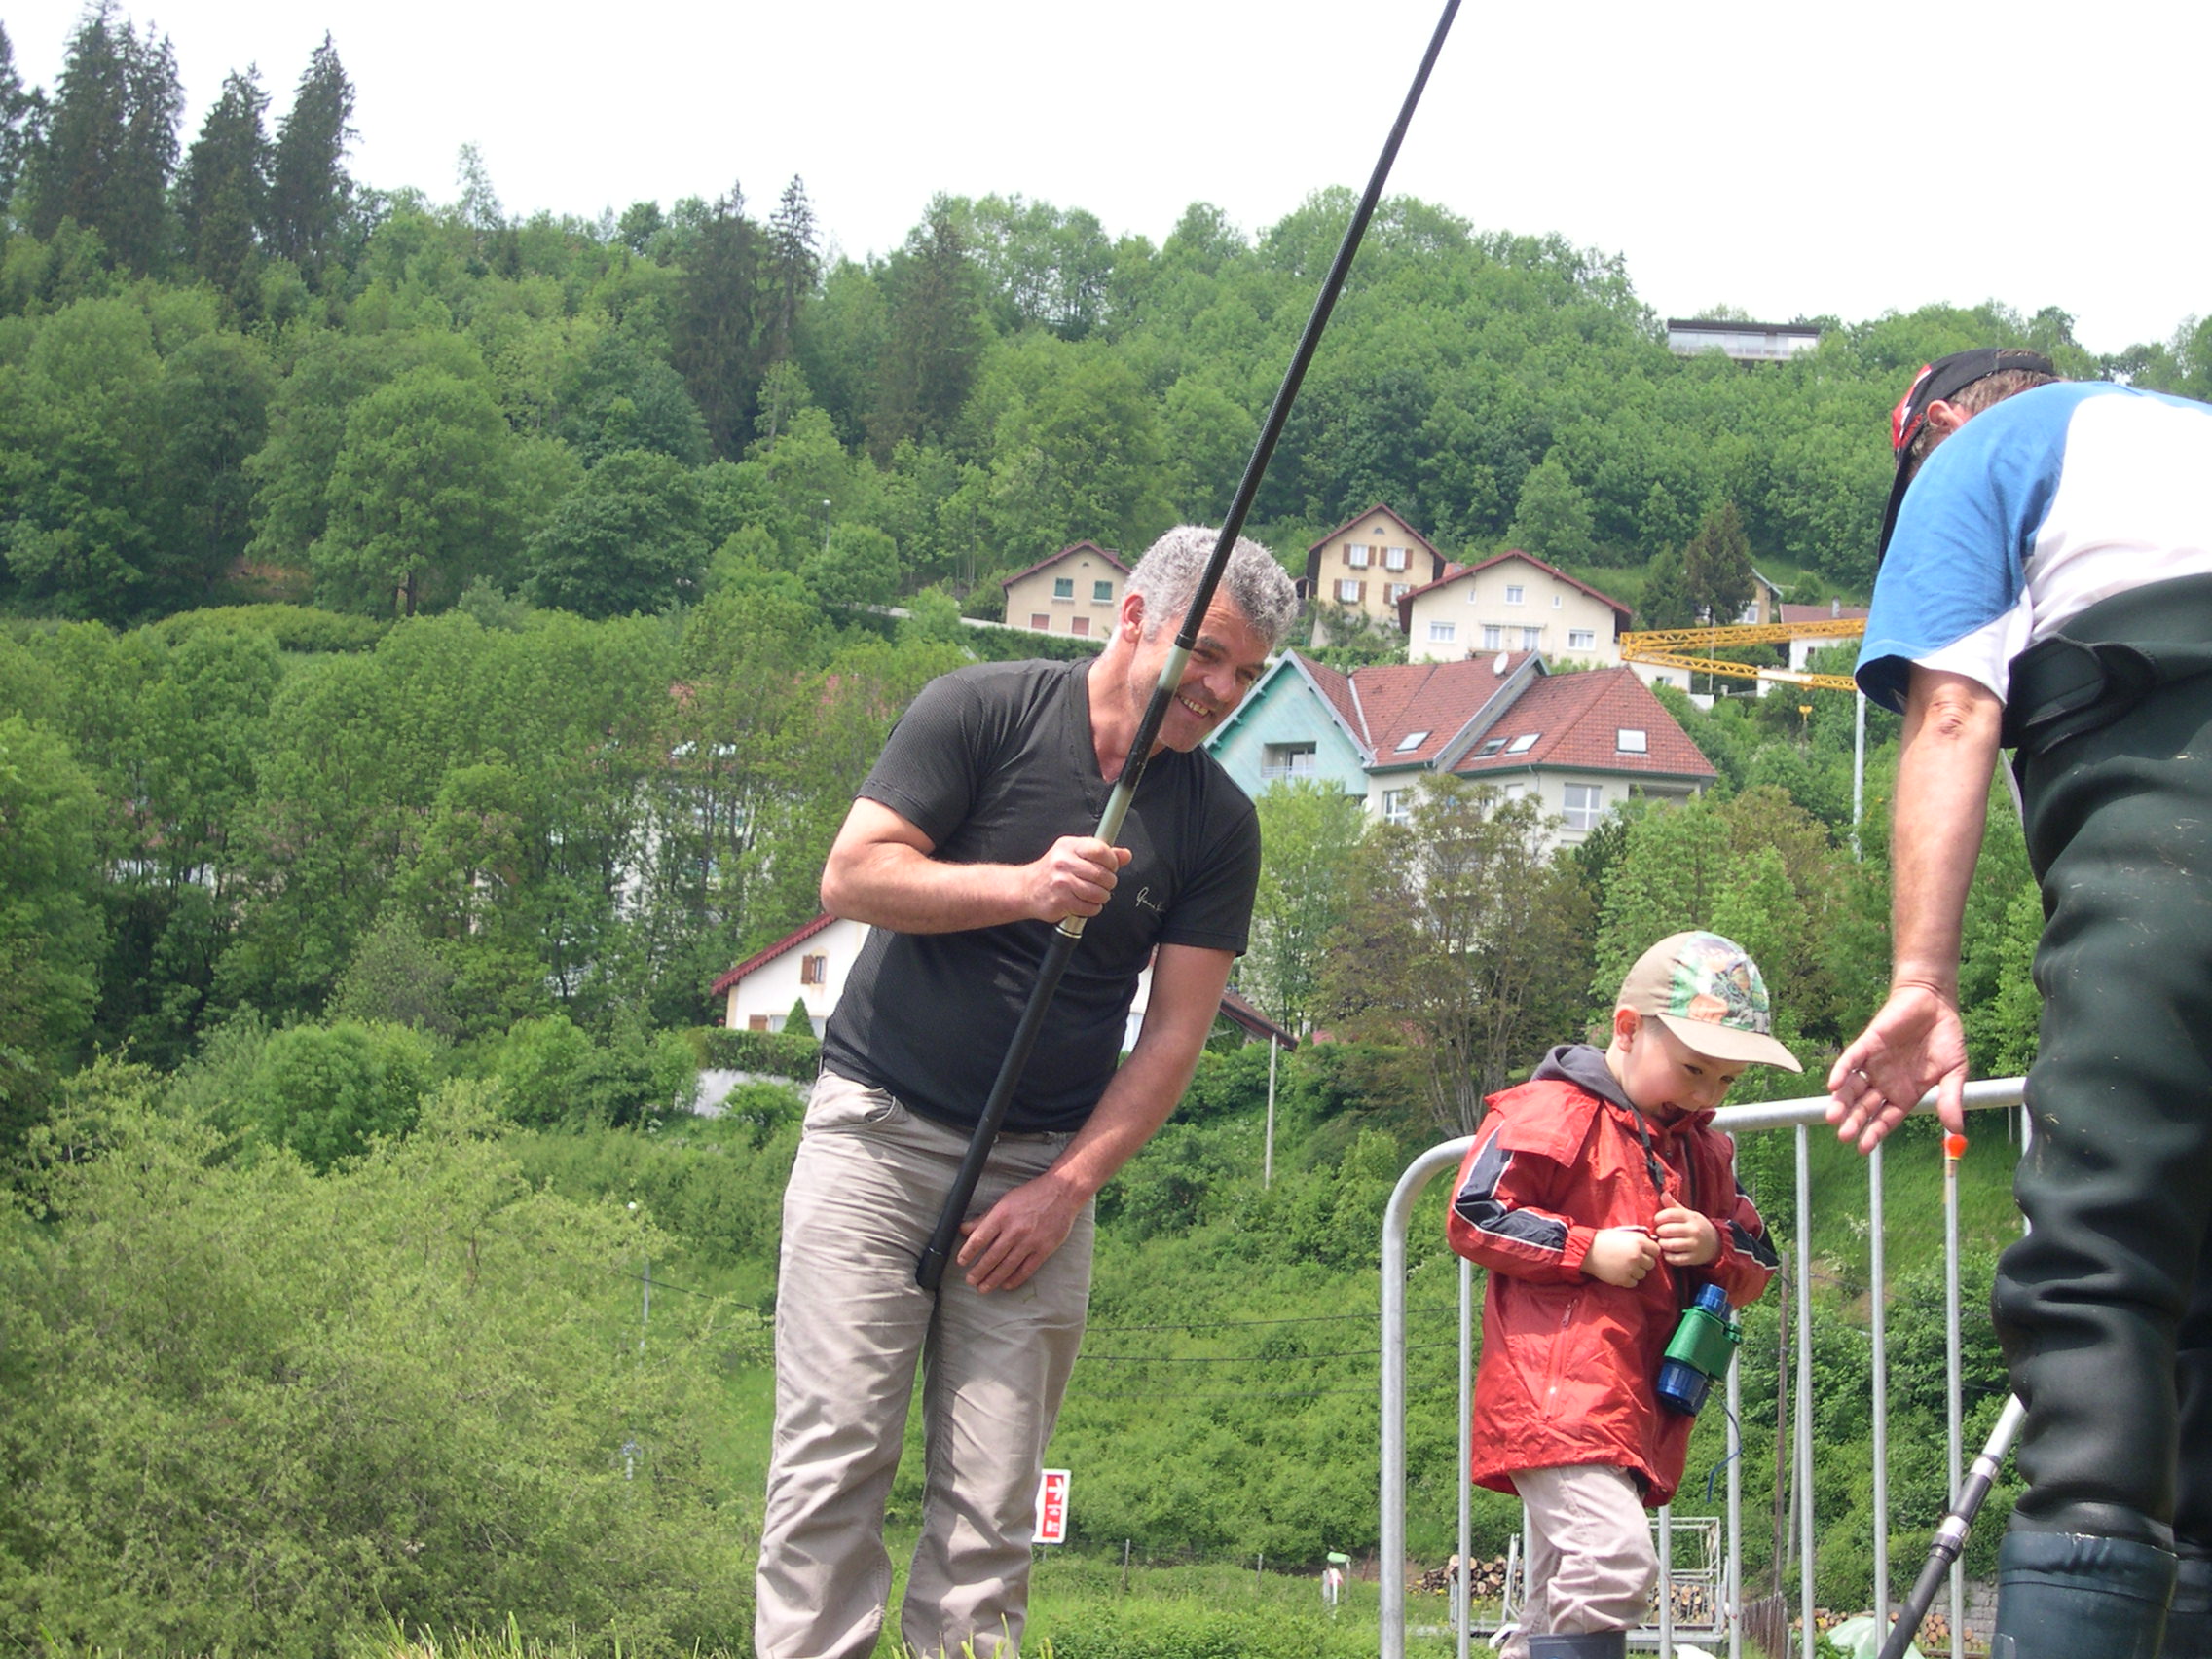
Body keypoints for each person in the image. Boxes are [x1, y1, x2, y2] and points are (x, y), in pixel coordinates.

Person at [754, 525, 1299, 1659]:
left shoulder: (1217, 824)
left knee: (992, 1510)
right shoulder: (981, 710)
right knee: (834, 1465)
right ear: (1133, 619)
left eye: (1246, 674)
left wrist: (1065, 1188)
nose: (1219, 690)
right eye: (1205, 654)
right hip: (874, 1139)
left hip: (1038, 1176)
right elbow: (852, 875)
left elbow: (1175, 1037)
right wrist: (1026, 887)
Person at [1825, 349, 2212, 1659]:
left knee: (2105, 1274)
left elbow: (1951, 718)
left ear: (1933, 424)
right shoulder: (2176, 432)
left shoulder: (1982, 458)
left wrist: (1921, 983)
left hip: (2171, 825)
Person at [1447, 931, 1792, 1659]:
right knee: (1613, 1564)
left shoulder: (1703, 1149)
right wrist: (1587, 1249)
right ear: (1628, 1029)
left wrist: (1715, 1243)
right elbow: (1473, 1214)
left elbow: (1763, 1259)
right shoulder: (1549, 1110)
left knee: (1554, 1597)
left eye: (1726, 1082)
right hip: (1555, 1397)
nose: (1704, 1095)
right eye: (1693, 1069)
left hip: (1627, 1403)